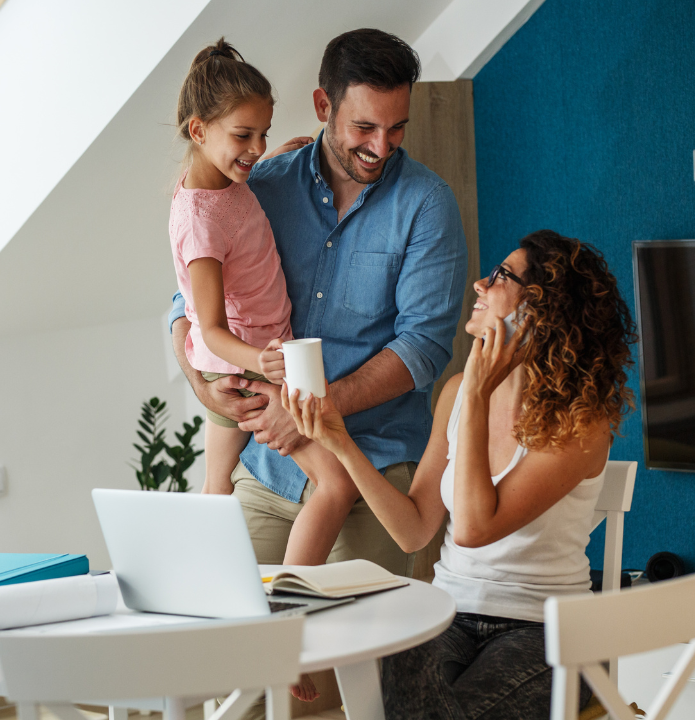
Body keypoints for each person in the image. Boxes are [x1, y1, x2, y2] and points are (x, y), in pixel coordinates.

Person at [283, 230, 637, 719]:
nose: (479, 284)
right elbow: (414, 531)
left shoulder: (580, 421)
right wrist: (339, 441)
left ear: (540, 307)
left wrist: (476, 390)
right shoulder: (455, 393)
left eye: (500, 277)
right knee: (387, 667)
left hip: (547, 633)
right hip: (447, 614)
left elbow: (472, 529)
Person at [170, 29, 467, 581]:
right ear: (322, 105)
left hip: (373, 463)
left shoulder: (427, 206)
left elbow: (423, 348)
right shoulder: (260, 185)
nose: (382, 146)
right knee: (232, 635)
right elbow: (187, 303)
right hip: (267, 465)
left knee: (338, 652)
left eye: (396, 127)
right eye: (364, 127)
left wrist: (312, 409)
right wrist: (202, 383)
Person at [169, 38, 361, 582]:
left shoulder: (224, 183)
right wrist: (261, 363)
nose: (254, 147)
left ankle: (203, 590)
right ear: (199, 130)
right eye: (242, 136)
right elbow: (207, 326)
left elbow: (235, 207)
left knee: (215, 487)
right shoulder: (200, 224)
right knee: (337, 484)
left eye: (262, 134)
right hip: (241, 363)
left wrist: (270, 160)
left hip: (242, 359)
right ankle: (285, 603)